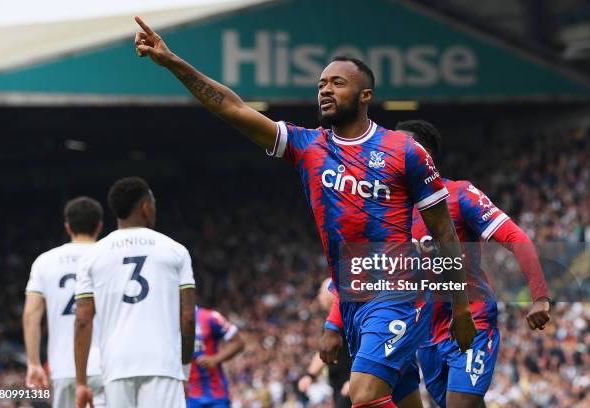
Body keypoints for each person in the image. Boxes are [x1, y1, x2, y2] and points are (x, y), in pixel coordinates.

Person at [133, 18, 476, 408]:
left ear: (365, 95)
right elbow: (232, 107)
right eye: (321, 85)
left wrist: (460, 308)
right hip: (352, 301)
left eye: (337, 83)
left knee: (363, 395)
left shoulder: (404, 151)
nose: (325, 90)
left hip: (397, 292)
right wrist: (173, 62)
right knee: (404, 400)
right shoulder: (308, 145)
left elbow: (445, 233)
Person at [323, 120, 551, 408]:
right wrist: (333, 325)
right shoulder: (382, 212)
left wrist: (540, 297)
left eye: (399, 146)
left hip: (471, 319)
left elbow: (516, 238)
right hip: (425, 335)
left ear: (422, 155)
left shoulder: (460, 195)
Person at [73, 177, 196, 408]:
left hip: (116, 366)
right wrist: (185, 368)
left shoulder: (92, 256)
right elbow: (188, 317)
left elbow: (82, 320)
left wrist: (81, 382)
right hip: (163, 363)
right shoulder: (176, 251)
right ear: (146, 207)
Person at [23, 196, 106, 408]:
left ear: (68, 227)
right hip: (109, 366)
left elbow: (31, 315)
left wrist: (33, 363)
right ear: (99, 226)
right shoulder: (110, 257)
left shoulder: (45, 261)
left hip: (64, 366)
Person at [298, 278, 352, 408]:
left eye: (321, 292)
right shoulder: (331, 323)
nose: (319, 296)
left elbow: (364, 349)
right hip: (339, 385)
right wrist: (309, 375)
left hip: (352, 385)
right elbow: (325, 351)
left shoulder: (349, 317)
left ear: (332, 293)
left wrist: (355, 379)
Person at [187, 306, 245, 408]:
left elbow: (238, 342)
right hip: (189, 396)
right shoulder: (170, 322)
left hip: (216, 394)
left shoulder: (210, 317)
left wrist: (215, 359)